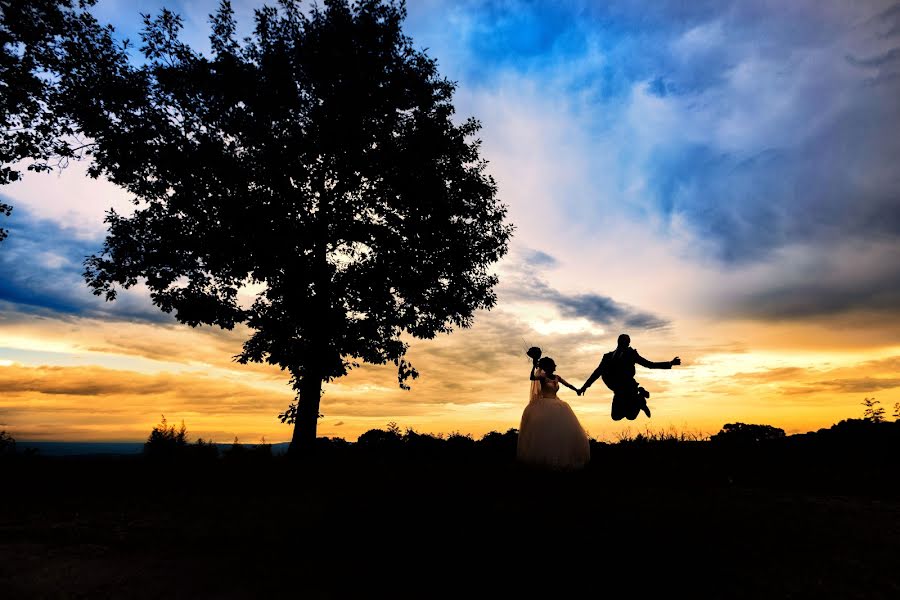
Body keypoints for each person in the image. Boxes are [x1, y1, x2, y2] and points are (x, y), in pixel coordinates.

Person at [517, 347, 590, 470]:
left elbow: (568, 385)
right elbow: (531, 378)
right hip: (544, 406)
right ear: (549, 367)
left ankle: (559, 461)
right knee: (546, 433)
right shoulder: (542, 377)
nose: (555, 367)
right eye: (553, 365)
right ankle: (543, 461)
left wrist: (578, 390)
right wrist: (534, 365)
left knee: (560, 433)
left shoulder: (557, 377)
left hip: (557, 405)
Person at [577, 334, 680, 421]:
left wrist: (670, 363)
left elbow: (649, 364)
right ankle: (639, 399)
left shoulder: (631, 354)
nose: (625, 343)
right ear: (618, 342)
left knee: (631, 416)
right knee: (616, 417)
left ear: (628, 343)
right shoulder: (607, 357)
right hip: (618, 390)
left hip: (630, 388)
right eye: (623, 341)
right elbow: (597, 373)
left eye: (626, 341)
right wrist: (584, 387)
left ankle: (640, 399)